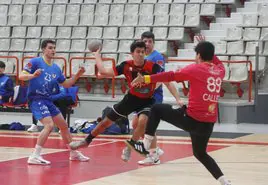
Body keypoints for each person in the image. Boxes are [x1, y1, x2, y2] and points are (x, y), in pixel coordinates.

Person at [127, 41, 231, 185]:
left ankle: (145, 145)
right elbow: (215, 59)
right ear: (211, 55)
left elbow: (170, 76)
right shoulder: (220, 70)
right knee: (200, 153)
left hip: (192, 120)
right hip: (208, 124)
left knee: (156, 109)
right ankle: (225, 181)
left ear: (198, 55)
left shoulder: (195, 69)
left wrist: (146, 78)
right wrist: (205, 48)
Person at [69, 41, 181, 160]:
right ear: (132, 54)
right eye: (138, 52)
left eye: (143, 52)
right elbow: (104, 71)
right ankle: (86, 141)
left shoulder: (153, 67)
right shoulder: (126, 65)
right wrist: (97, 56)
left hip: (148, 100)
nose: (141, 54)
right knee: (105, 123)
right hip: (131, 99)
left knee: (143, 121)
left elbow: (167, 82)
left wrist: (178, 99)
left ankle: (129, 148)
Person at [19, 39, 89, 165]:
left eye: (54, 48)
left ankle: (73, 152)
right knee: (49, 125)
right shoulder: (35, 62)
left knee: (63, 126)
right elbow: (21, 76)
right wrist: (32, 76)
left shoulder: (56, 68)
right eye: (50, 48)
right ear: (43, 49)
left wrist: (77, 75)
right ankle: (35, 155)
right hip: (36, 99)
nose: (53, 50)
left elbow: (66, 84)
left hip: (48, 99)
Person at [121, 31, 181, 165]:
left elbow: (163, 78)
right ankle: (154, 148)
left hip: (154, 96)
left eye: (150, 42)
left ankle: (153, 155)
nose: (147, 44)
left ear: (153, 43)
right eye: (145, 41)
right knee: (136, 124)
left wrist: (177, 98)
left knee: (146, 124)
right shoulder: (139, 58)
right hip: (141, 97)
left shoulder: (157, 57)